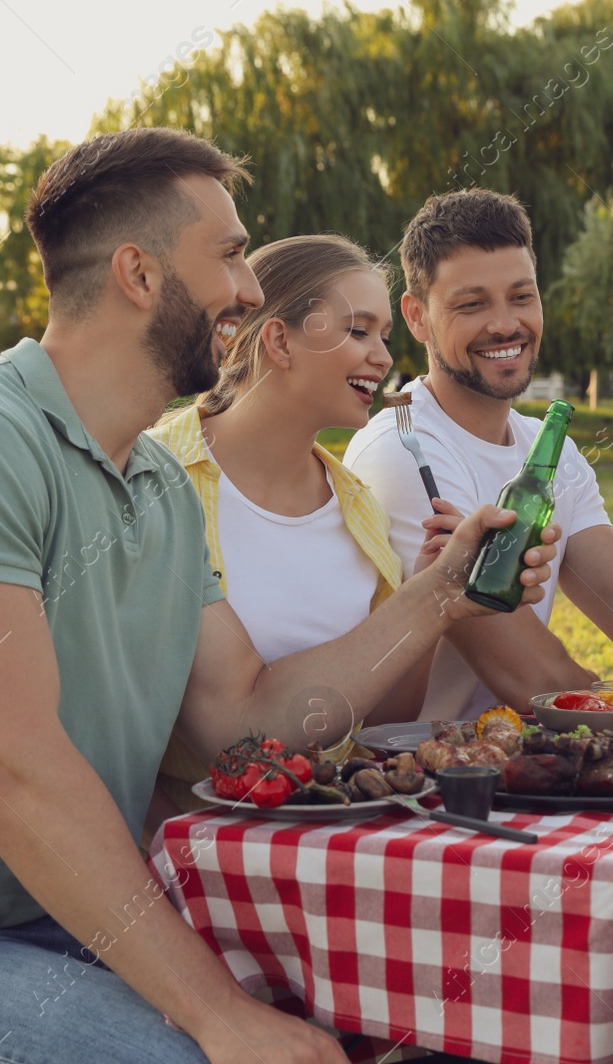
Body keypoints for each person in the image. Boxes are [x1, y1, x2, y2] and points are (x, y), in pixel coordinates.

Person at [0, 128, 558, 1064]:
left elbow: (246, 719)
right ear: (139, 275)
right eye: (230, 256)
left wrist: (441, 598)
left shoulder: (157, 485)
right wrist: (219, 1016)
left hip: (95, 925)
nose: (247, 287)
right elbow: (10, 769)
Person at [145, 234, 444, 825]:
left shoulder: (358, 505)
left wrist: (430, 594)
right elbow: (221, 745)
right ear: (279, 340)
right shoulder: (154, 479)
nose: (384, 357)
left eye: (384, 335)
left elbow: (384, 720)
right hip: (184, 854)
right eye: (358, 331)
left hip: (329, 841)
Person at [345, 188, 613, 720]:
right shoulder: (405, 451)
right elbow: (534, 677)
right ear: (416, 318)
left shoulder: (548, 448)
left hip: (522, 766)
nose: (506, 324)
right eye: (472, 304)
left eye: (522, 296)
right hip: (428, 781)